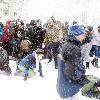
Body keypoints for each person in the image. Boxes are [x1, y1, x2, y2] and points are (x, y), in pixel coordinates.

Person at [56, 24, 88, 99]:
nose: (84, 36)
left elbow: (71, 66)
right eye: (83, 34)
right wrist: (82, 78)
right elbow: (72, 72)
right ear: (77, 34)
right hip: (69, 87)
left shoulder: (67, 45)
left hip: (64, 84)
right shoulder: (73, 49)